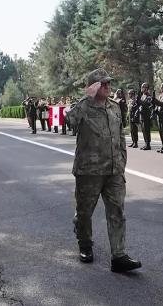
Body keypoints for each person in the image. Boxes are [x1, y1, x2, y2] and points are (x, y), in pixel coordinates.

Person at [66, 68, 141, 273]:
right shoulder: (82, 107)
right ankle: (85, 245)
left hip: (114, 171)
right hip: (89, 171)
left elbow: (121, 136)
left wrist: (122, 161)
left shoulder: (115, 107)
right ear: (94, 87)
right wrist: (86, 98)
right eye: (103, 84)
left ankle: (118, 256)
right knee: (84, 212)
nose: (108, 86)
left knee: (117, 211)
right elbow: (68, 121)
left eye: (109, 83)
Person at [139, 83, 153, 150]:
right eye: (142, 87)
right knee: (143, 130)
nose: (142, 89)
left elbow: (147, 104)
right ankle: (145, 143)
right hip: (142, 115)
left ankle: (148, 144)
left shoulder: (148, 96)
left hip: (146, 115)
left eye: (144, 87)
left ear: (147, 88)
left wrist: (140, 102)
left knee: (147, 130)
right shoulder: (142, 96)